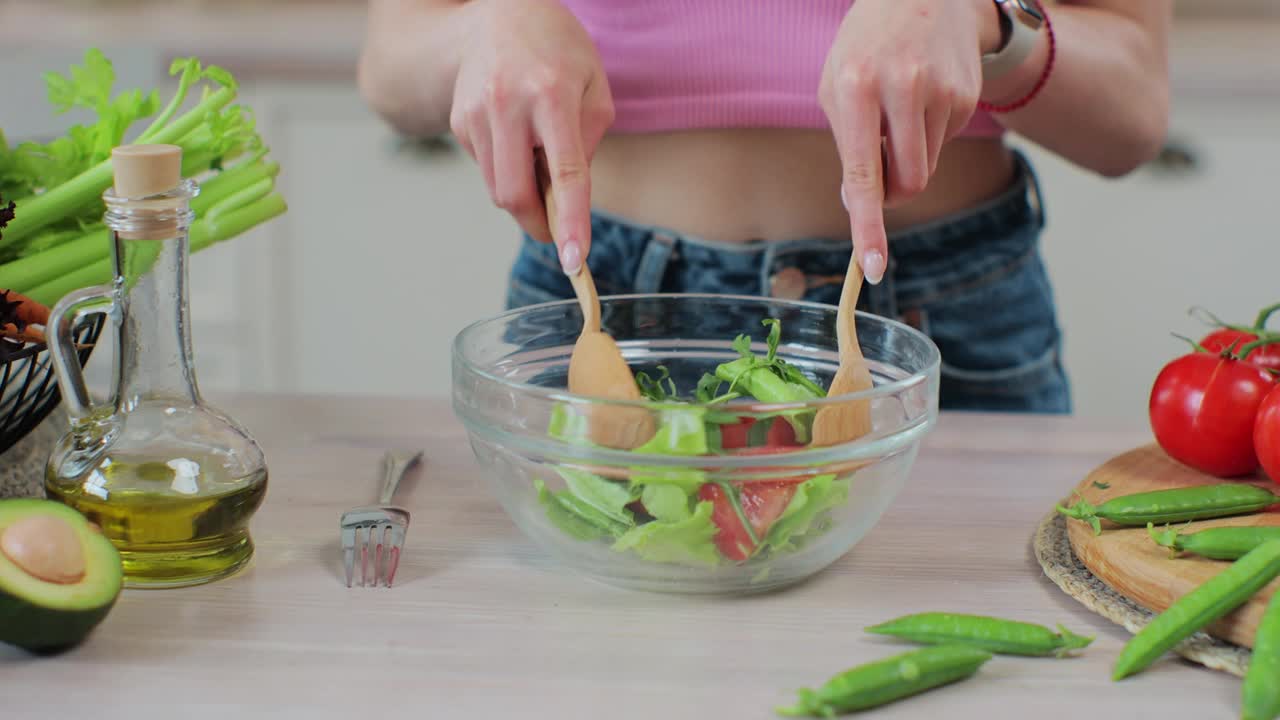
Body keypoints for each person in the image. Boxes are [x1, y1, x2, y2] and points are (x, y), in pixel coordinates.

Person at [357, 0, 1172, 413]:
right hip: (595, 317)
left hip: (941, 321)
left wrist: (987, 20)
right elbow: (393, 66)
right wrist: (480, 30)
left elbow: (1130, 111)